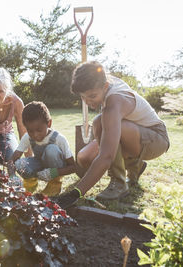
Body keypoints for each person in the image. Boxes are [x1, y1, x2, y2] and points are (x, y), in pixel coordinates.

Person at [56, 61, 170, 209]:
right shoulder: (103, 80)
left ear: (105, 87)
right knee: (87, 153)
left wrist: (76, 193)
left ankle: (119, 183)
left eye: (92, 96)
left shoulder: (115, 101)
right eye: (83, 97)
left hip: (156, 139)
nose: (87, 102)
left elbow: (106, 156)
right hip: (137, 134)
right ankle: (134, 165)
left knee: (104, 122)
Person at [9, 101, 76, 196]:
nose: (35, 135)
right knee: (20, 164)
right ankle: (31, 184)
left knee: (51, 150)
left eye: (39, 130)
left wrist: (54, 172)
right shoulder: (27, 137)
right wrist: (12, 175)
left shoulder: (59, 139)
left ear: (49, 123)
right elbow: (13, 159)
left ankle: (54, 185)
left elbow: (73, 167)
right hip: (40, 165)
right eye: (30, 131)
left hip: (56, 169)